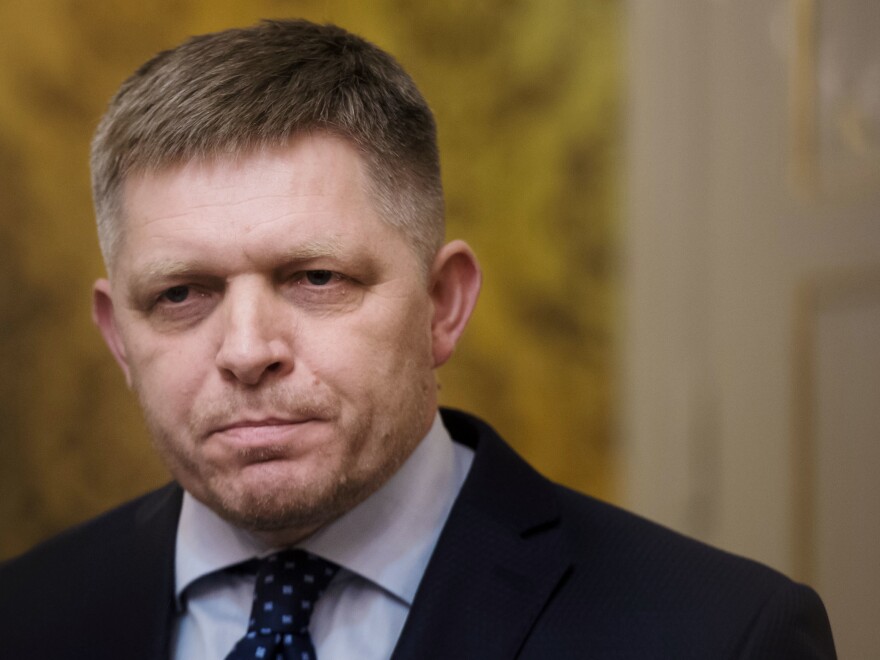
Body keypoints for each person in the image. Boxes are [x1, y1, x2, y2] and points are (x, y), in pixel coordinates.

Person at [0, 19, 835, 660]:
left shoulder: (719, 636)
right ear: (118, 338)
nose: (247, 349)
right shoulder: (28, 615)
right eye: (182, 294)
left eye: (314, 278)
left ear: (443, 304)